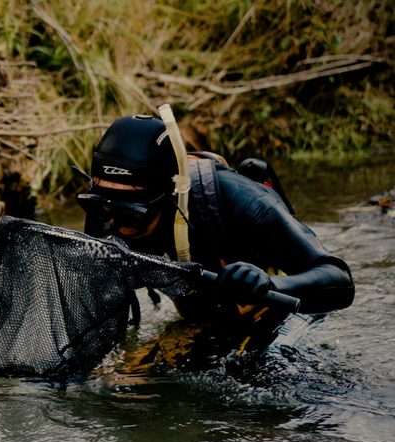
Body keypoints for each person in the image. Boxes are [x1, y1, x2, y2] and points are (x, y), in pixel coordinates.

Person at [76, 114, 355, 361]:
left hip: (278, 312)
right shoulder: (106, 213)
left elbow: (340, 279)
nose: (114, 226)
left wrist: (269, 284)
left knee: (263, 373)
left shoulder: (243, 201)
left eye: (130, 213)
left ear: (169, 196)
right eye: (103, 207)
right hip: (204, 318)